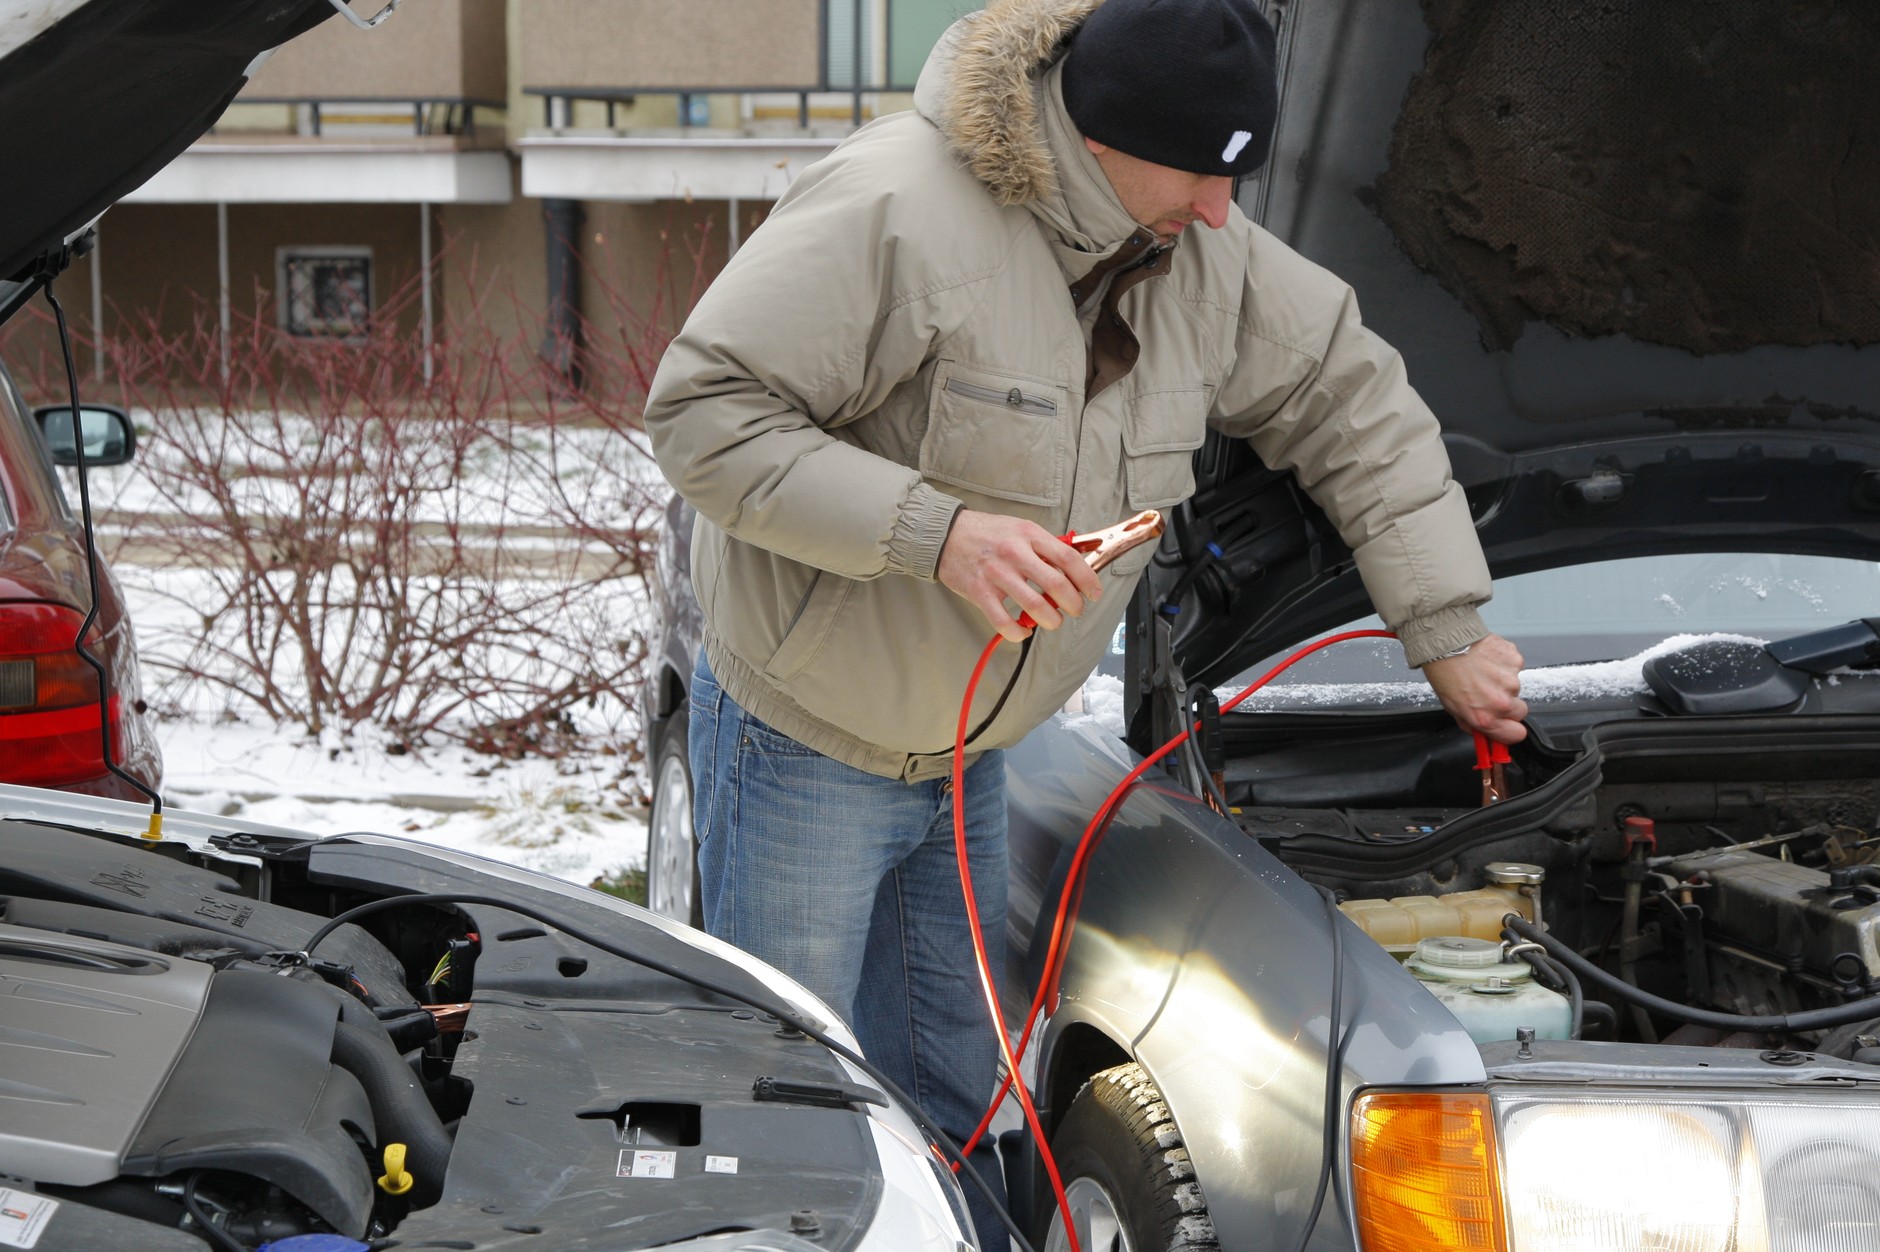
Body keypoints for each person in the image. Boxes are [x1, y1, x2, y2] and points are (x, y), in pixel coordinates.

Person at [645, 0, 1526, 1243]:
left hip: (968, 758)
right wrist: (937, 532)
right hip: (803, 745)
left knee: (948, 1094)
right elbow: (701, 416)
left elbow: (1350, 398)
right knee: (775, 1096)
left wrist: (1442, 622)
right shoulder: (896, 209)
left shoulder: (1197, 255)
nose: (1223, 212)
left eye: (1237, 179)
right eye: (1201, 175)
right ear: (1100, 140)